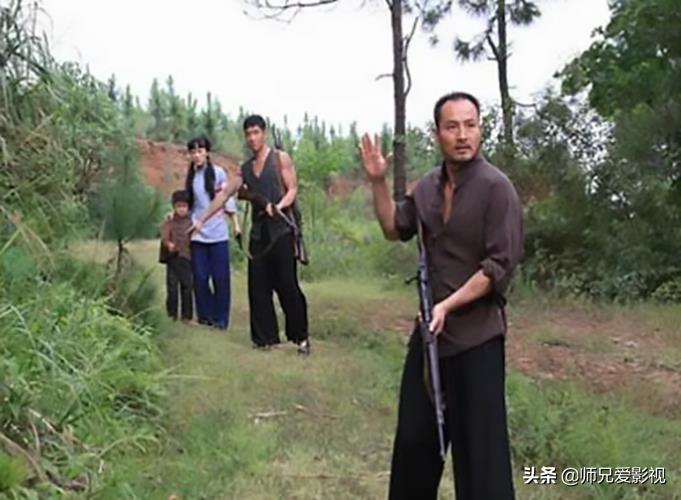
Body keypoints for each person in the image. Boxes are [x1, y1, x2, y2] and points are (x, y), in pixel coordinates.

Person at [359, 92, 524, 499]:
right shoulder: (428, 188)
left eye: (470, 125)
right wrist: (378, 181)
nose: (463, 135)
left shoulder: (497, 189)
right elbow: (393, 228)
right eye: (452, 127)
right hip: (430, 340)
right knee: (414, 446)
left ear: (480, 130)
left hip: (478, 341)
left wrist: (447, 305)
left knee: (481, 463)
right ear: (437, 134)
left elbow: (497, 267)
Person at [191, 116, 311, 355]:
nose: (252, 138)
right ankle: (264, 339)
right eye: (248, 134)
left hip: (281, 231)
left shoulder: (280, 158)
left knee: (287, 285)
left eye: (256, 132)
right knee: (258, 287)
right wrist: (202, 219)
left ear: (263, 133)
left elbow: (292, 189)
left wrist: (278, 206)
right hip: (259, 234)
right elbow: (224, 194)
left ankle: (301, 338)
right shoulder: (244, 169)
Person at [185, 136, 239, 330]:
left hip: (217, 233)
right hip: (198, 234)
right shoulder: (191, 177)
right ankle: (205, 316)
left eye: (200, 151)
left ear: (207, 152)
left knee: (220, 277)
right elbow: (189, 205)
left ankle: (221, 319)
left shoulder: (218, 173)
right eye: (193, 152)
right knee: (200, 277)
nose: (196, 155)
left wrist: (235, 224)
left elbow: (226, 198)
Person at [160, 189, 194, 323]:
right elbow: (164, 236)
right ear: (174, 207)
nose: (181, 209)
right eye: (179, 206)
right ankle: (172, 314)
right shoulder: (169, 221)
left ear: (188, 207)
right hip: (173, 258)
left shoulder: (191, 222)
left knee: (187, 287)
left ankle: (187, 315)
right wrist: (168, 243)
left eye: (184, 206)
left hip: (187, 258)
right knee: (172, 287)